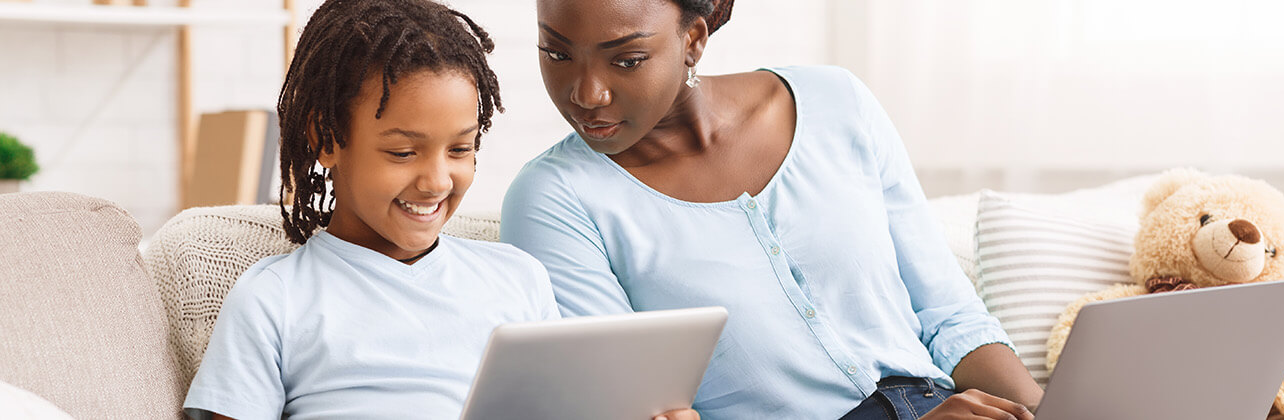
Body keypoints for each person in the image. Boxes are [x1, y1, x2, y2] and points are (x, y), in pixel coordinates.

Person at [500, 0, 1045, 419]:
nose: (587, 93)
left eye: (627, 60)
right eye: (556, 53)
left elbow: (950, 317)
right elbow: (634, 405)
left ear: (693, 38)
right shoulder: (554, 199)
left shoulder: (837, 101)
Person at [182, 1, 698, 419]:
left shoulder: (517, 279)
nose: (436, 181)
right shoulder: (275, 297)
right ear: (327, 138)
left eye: (460, 150)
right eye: (403, 153)